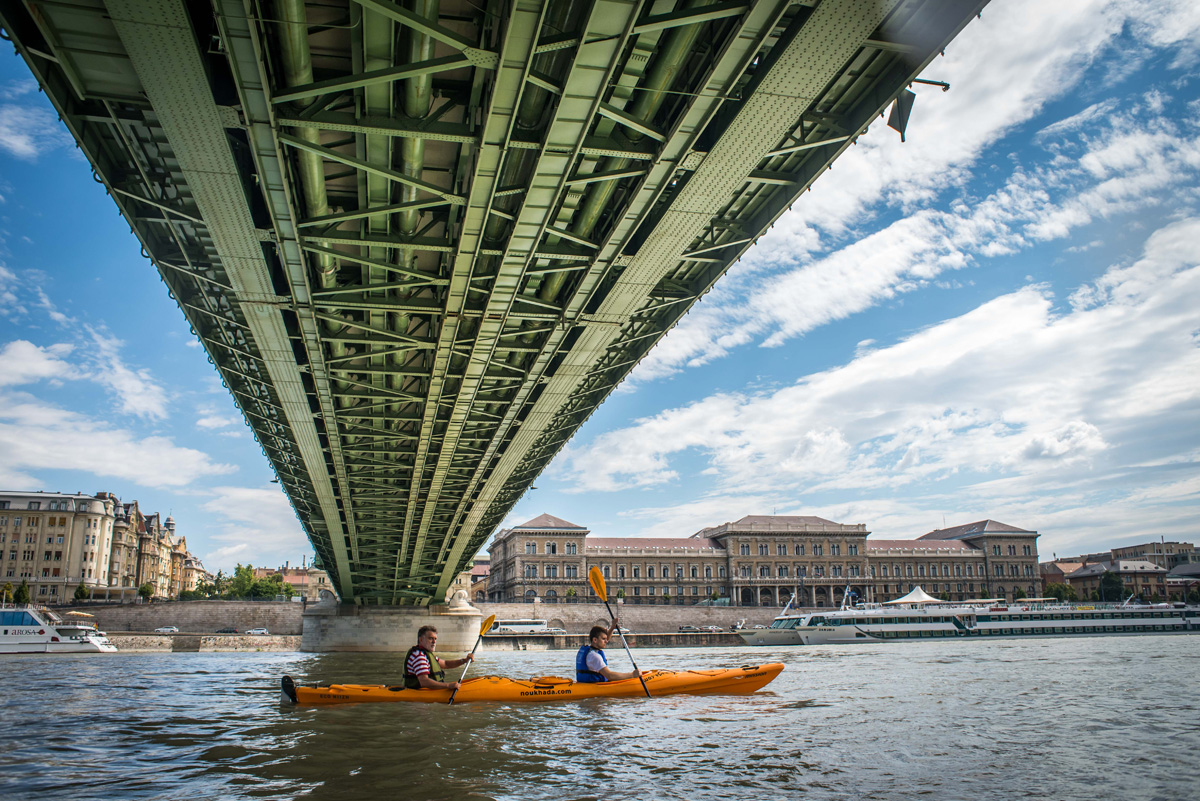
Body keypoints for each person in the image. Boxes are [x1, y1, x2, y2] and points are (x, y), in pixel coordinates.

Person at [404, 625, 473, 690]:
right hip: (421, 692)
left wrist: (464, 660)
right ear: (421, 640)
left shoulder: (426, 654)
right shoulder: (419, 656)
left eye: (435, 639)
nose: (434, 642)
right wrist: (448, 686)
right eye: (430, 638)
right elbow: (424, 682)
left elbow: (446, 664)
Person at [575, 619, 641, 683]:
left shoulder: (589, 649)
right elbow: (609, 676)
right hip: (594, 686)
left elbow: (604, 639)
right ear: (595, 640)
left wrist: (612, 627)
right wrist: (632, 675)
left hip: (585, 681)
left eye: (606, 639)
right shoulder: (595, 657)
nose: (606, 641)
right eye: (604, 639)